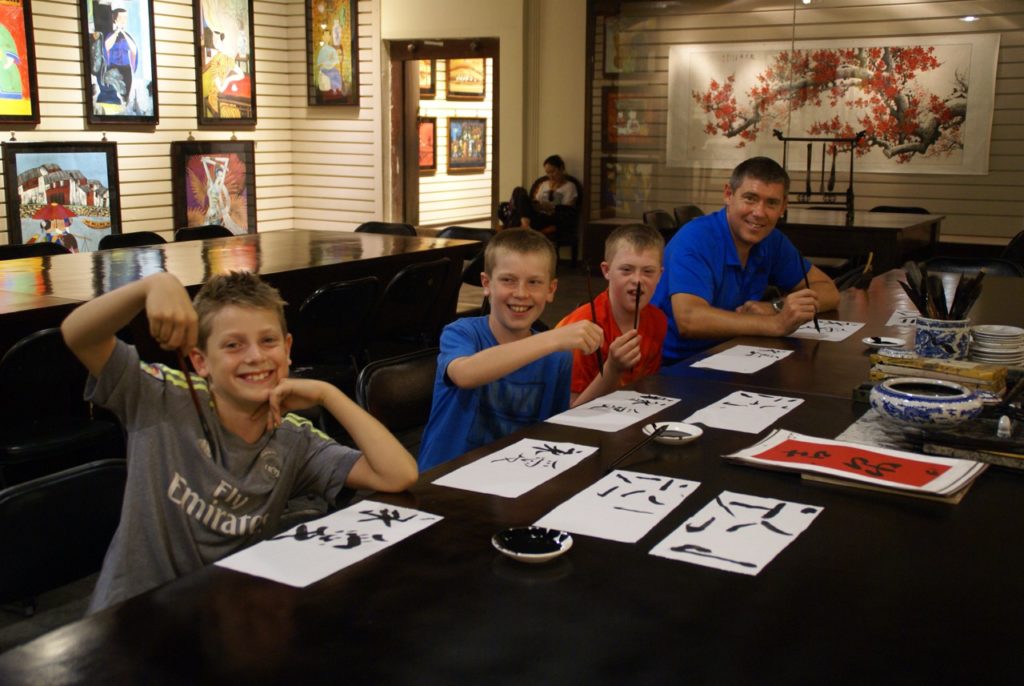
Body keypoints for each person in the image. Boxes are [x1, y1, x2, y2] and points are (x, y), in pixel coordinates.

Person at [60, 271, 418, 612]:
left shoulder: (293, 439)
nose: (255, 357)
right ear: (200, 360)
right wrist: (150, 286)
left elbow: (398, 475)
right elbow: (78, 334)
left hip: (223, 615)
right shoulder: (162, 397)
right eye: (233, 345)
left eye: (268, 341)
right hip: (132, 616)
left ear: (287, 347)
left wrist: (328, 395)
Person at [417, 228, 602, 470]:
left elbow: (553, 429)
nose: (521, 293)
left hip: (516, 478)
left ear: (551, 290)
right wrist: (553, 339)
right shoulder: (462, 332)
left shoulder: (558, 357)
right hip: (442, 481)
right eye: (508, 280)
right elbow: (465, 374)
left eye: (534, 282)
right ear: (487, 283)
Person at [651, 156, 840, 365]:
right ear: (728, 195)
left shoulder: (771, 241)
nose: (759, 213)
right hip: (673, 367)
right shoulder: (695, 239)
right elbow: (689, 319)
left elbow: (828, 290)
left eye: (772, 203)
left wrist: (775, 307)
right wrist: (775, 324)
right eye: (750, 198)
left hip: (733, 354)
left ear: (783, 206)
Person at [557, 224, 667, 406]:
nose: (638, 280)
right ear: (606, 271)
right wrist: (612, 369)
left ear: (660, 275)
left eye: (648, 271)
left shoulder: (658, 320)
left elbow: (645, 389)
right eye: (626, 270)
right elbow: (570, 410)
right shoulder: (581, 329)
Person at [501, 155, 579, 236]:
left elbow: (569, 210)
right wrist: (537, 205)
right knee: (518, 190)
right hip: (536, 215)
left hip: (550, 218)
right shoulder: (543, 184)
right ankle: (525, 225)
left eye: (553, 171)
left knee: (515, 217)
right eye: (548, 173)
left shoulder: (570, 186)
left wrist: (552, 208)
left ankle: (514, 228)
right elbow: (536, 201)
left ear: (561, 168)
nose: (550, 175)